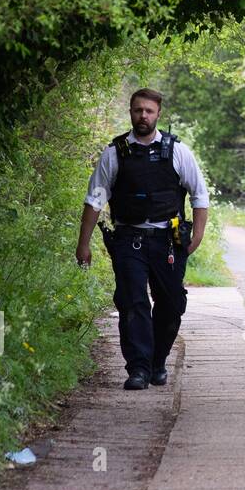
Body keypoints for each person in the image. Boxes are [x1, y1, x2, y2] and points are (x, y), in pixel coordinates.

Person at [75, 88, 209, 390]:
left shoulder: (177, 151)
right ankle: (137, 368)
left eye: (148, 111)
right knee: (132, 302)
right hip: (128, 239)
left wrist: (197, 236)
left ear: (158, 113)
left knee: (171, 303)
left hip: (168, 241)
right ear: (131, 112)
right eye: (138, 110)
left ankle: (157, 362)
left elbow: (200, 195)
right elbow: (95, 199)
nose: (143, 116)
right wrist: (83, 243)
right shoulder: (115, 153)